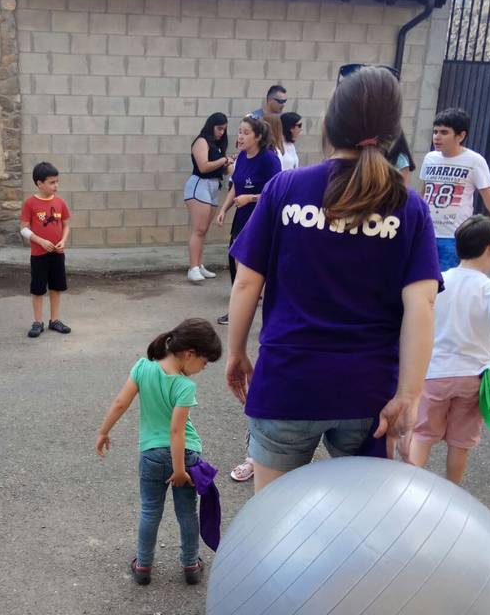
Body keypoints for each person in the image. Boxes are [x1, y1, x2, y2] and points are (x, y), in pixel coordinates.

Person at [225, 66, 442, 493]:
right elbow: (423, 305)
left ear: (328, 123)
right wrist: (409, 395)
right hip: (369, 392)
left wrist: (235, 353)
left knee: (273, 522)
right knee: (361, 528)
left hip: (288, 380)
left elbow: (246, 284)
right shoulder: (409, 208)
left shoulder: (285, 189)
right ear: (391, 133)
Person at [95, 318, 222, 586]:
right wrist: (178, 470)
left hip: (151, 455)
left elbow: (120, 403)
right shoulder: (184, 386)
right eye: (205, 361)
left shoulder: (143, 367)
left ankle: (143, 565)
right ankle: (190, 564)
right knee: (187, 513)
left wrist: (103, 431)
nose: (204, 367)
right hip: (184, 458)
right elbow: (177, 432)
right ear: (189, 354)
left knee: (150, 511)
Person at [409, 215, 490, 484]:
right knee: (460, 442)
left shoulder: (438, 281)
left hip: (433, 373)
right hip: (474, 378)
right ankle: (452, 496)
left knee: (422, 436)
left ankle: (407, 489)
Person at [419, 108, 490, 271]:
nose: (437, 137)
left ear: (461, 136)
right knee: (422, 284)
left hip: (454, 237)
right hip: (426, 234)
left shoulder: (474, 161)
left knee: (446, 287)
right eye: (435, 131)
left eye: (444, 132)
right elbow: (423, 194)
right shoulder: (430, 158)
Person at [215, 116, 281, 325]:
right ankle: (238, 311)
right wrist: (224, 209)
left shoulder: (269, 159)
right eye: (240, 132)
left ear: (258, 137)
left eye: (245, 133)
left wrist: (251, 198)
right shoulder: (243, 156)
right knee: (238, 265)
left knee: (251, 269)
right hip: (242, 216)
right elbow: (237, 184)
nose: (240, 137)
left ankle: (265, 313)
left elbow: (276, 193)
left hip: (260, 217)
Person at [20, 162, 72, 338]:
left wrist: (63, 241)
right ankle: (37, 322)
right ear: (39, 183)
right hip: (39, 254)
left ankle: (55, 320)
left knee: (56, 287)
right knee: (38, 289)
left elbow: (66, 225)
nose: (55, 186)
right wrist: (40, 241)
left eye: (57, 182)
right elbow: (24, 229)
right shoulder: (30, 203)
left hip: (57, 254)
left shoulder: (60, 202)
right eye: (51, 182)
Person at [185, 113, 232, 283]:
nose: (221, 132)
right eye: (219, 128)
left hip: (213, 185)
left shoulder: (217, 145)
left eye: (224, 130)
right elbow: (203, 166)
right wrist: (223, 160)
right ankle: (193, 268)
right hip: (200, 184)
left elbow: (222, 170)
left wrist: (227, 163)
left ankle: (199, 264)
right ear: (211, 125)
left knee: (203, 230)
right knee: (198, 229)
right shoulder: (201, 141)